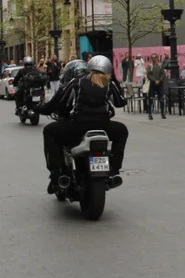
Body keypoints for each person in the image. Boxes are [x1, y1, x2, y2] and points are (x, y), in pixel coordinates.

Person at [37, 57, 128, 193]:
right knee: (122, 130)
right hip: (103, 127)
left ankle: (57, 174)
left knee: (49, 131)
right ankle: (114, 169)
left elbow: (62, 103)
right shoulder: (108, 83)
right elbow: (121, 102)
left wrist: (42, 109)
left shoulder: (77, 81)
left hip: (78, 127)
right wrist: (114, 81)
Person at [144, 53, 166, 120]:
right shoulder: (149, 66)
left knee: (161, 99)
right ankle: (150, 114)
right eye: (152, 57)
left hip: (159, 84)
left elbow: (163, 74)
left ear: (157, 58)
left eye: (155, 57)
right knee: (150, 99)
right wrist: (154, 80)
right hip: (152, 85)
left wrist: (159, 80)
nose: (153, 59)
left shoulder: (160, 66)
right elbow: (149, 75)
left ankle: (162, 113)